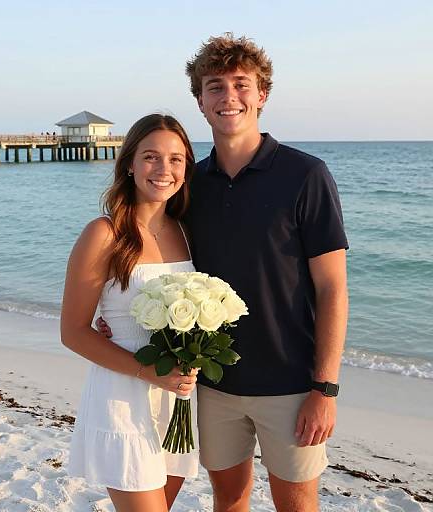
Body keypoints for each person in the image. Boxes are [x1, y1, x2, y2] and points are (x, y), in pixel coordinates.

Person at [99, 34, 349, 512]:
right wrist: (118, 317)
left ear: (262, 95)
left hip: (292, 384)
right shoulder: (191, 184)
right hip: (211, 385)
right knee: (229, 500)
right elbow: (154, 252)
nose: (229, 97)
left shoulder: (305, 175)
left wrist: (325, 388)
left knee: (297, 506)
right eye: (215, 86)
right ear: (200, 100)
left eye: (241, 84)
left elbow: (332, 287)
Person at [61, 114, 199, 512]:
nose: (164, 170)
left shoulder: (186, 230)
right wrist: (148, 371)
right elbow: (73, 331)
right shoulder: (103, 233)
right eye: (151, 157)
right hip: (124, 396)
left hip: (179, 400)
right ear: (129, 164)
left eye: (176, 159)